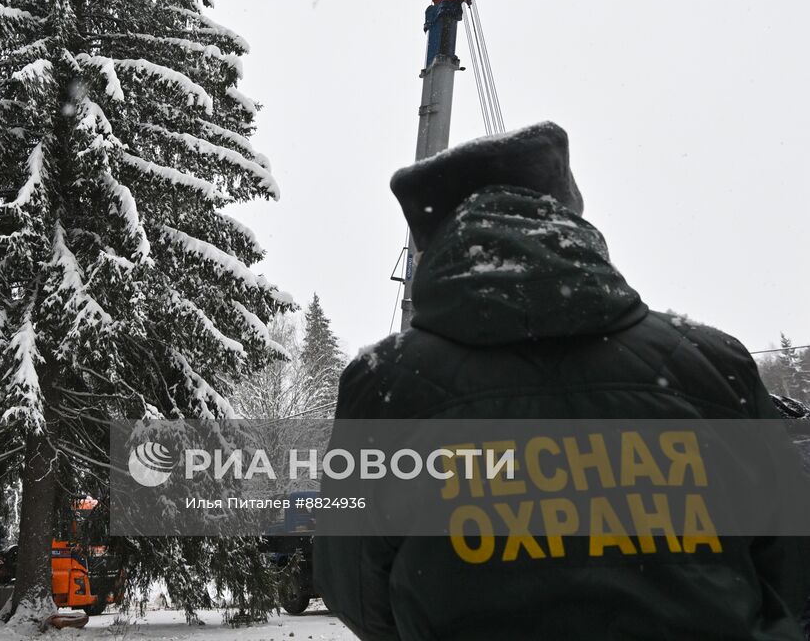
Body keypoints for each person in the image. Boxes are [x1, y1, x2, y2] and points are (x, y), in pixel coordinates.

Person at [314, 122, 810, 641]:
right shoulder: (712, 364)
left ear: (432, 242)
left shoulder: (384, 386)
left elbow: (355, 590)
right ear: (568, 213)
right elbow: (790, 569)